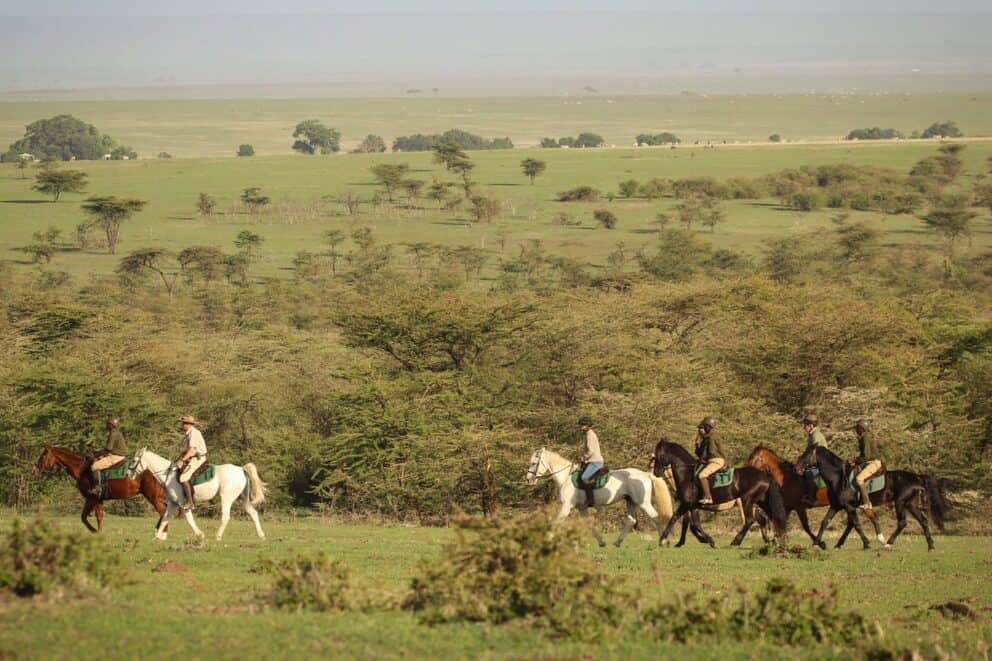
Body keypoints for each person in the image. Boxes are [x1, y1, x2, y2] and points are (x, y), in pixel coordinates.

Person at [87, 416, 128, 496]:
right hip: (114, 454)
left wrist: (94, 454)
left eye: (107, 424)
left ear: (111, 425)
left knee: (94, 466)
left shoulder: (113, 434)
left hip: (116, 456)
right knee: (96, 460)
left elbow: (108, 449)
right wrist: (96, 454)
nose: (106, 425)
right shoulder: (115, 433)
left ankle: (98, 488)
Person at [175, 415, 207, 511]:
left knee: (183, 478)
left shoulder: (194, 433)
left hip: (198, 458)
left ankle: (190, 502)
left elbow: (192, 450)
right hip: (192, 457)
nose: (182, 425)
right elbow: (186, 450)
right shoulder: (188, 433)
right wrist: (179, 458)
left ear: (188, 424)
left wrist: (182, 460)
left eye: (183, 423)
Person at [853, 419, 884, 511]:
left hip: (873, 463)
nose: (856, 429)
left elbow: (866, 456)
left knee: (859, 479)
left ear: (862, 428)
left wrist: (856, 460)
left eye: (857, 427)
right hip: (868, 461)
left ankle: (867, 503)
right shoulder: (863, 437)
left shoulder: (865, 438)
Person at [694, 417, 725, 505]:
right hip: (712, 460)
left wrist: (704, 460)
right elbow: (700, 454)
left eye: (703, 427)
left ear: (708, 427)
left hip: (716, 460)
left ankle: (708, 498)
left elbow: (711, 452)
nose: (701, 429)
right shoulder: (706, 438)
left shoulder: (711, 437)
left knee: (702, 475)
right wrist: (697, 444)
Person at [801, 413, 828, 507]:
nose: (804, 427)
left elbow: (814, 453)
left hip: (820, 463)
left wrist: (807, 464)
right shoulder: (812, 435)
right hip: (816, 461)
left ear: (811, 425)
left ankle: (812, 498)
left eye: (805, 425)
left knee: (809, 473)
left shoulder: (815, 436)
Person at [578, 416, 603, 508]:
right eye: (581, 425)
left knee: (584, 477)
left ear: (587, 426)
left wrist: (583, 457)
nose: (580, 427)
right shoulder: (589, 434)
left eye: (582, 425)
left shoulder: (589, 435)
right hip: (592, 460)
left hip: (595, 461)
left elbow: (591, 451)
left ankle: (590, 500)